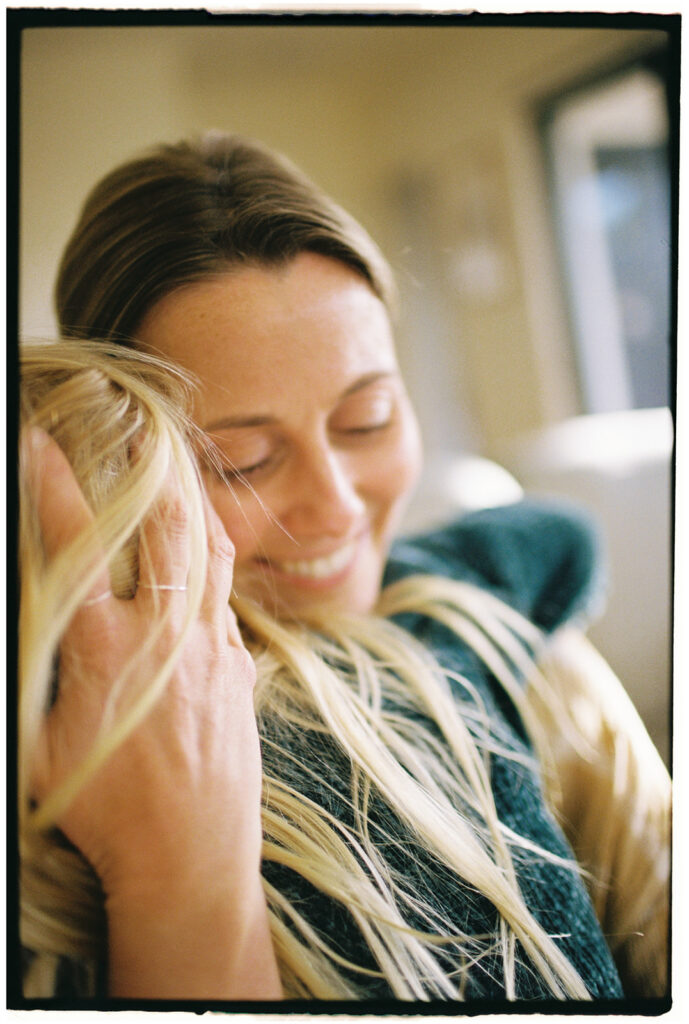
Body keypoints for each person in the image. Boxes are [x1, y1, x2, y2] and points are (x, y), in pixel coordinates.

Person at [19, 132, 670, 1004]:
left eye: (366, 419)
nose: (334, 506)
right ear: (123, 470)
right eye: (241, 460)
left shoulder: (523, 656)